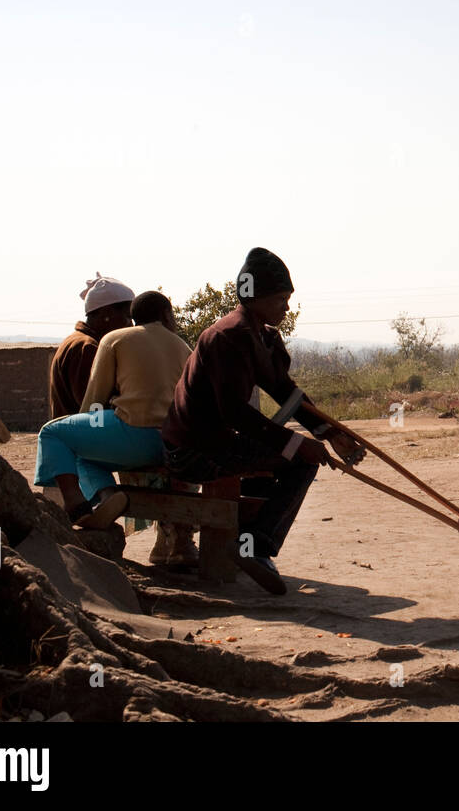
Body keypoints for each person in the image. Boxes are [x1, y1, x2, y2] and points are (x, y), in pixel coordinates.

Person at [160, 248, 366, 595]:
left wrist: (331, 433)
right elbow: (234, 413)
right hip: (192, 449)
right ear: (255, 298)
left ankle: (246, 540)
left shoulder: (262, 336)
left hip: (217, 442)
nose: (286, 307)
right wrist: (298, 444)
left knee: (290, 458)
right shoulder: (228, 336)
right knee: (299, 461)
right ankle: (254, 545)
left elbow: (286, 393)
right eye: (281, 299)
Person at [35, 290, 191, 529]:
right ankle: (107, 497)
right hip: (172, 445)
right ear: (166, 315)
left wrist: (90, 424)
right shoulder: (185, 348)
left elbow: (95, 399)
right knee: (85, 456)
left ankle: (76, 504)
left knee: (52, 433)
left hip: (134, 437)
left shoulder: (115, 339)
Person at [48, 274, 133, 419]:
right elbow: (95, 409)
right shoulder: (86, 348)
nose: (130, 325)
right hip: (79, 439)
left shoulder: (79, 342)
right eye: (127, 317)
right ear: (107, 314)